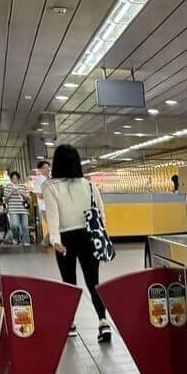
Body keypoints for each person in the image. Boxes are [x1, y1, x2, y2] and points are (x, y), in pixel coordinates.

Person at [44, 144, 111, 342]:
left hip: (65, 239)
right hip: (88, 236)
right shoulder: (88, 184)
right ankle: (103, 322)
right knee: (93, 281)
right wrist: (99, 234)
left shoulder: (50, 186)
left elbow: (53, 216)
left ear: (57, 163)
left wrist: (55, 241)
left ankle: (70, 323)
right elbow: (101, 213)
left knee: (69, 283)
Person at [3, 171, 31, 246]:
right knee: (14, 225)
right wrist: (11, 192)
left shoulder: (23, 186)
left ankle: (26, 242)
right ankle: (15, 238)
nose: (14, 180)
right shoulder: (8, 186)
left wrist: (22, 193)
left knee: (25, 226)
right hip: (13, 210)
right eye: (13, 178)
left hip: (23, 210)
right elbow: (5, 199)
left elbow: (29, 197)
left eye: (16, 178)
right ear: (11, 179)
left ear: (18, 178)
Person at [32, 160, 51, 245]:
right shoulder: (38, 181)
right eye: (45, 168)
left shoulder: (49, 179)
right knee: (54, 226)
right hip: (44, 208)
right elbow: (39, 195)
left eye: (48, 167)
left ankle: (47, 242)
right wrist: (50, 191)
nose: (48, 169)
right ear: (40, 170)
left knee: (55, 226)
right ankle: (45, 242)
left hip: (51, 207)